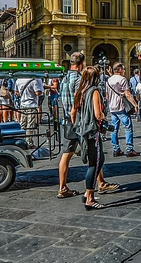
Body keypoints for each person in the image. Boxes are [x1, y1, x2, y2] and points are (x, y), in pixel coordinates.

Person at [57, 52, 118, 199]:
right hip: (82, 122)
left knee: (67, 155)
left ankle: (63, 187)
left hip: (69, 121)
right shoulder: (80, 80)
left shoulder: (64, 79)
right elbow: (81, 102)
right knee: (95, 153)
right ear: (82, 63)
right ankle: (98, 185)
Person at [71, 66, 106, 210]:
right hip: (92, 132)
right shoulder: (95, 91)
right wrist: (103, 118)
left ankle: (87, 193)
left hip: (82, 131)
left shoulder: (79, 92)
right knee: (95, 163)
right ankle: (90, 199)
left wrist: (78, 127)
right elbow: (98, 114)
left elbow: (72, 113)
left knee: (99, 159)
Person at [106, 62, 139, 157]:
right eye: (123, 69)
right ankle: (129, 149)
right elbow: (127, 94)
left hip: (112, 107)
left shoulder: (109, 80)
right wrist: (135, 104)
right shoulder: (122, 79)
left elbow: (107, 96)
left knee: (114, 129)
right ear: (119, 70)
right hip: (121, 106)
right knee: (128, 127)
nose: (124, 71)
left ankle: (116, 149)